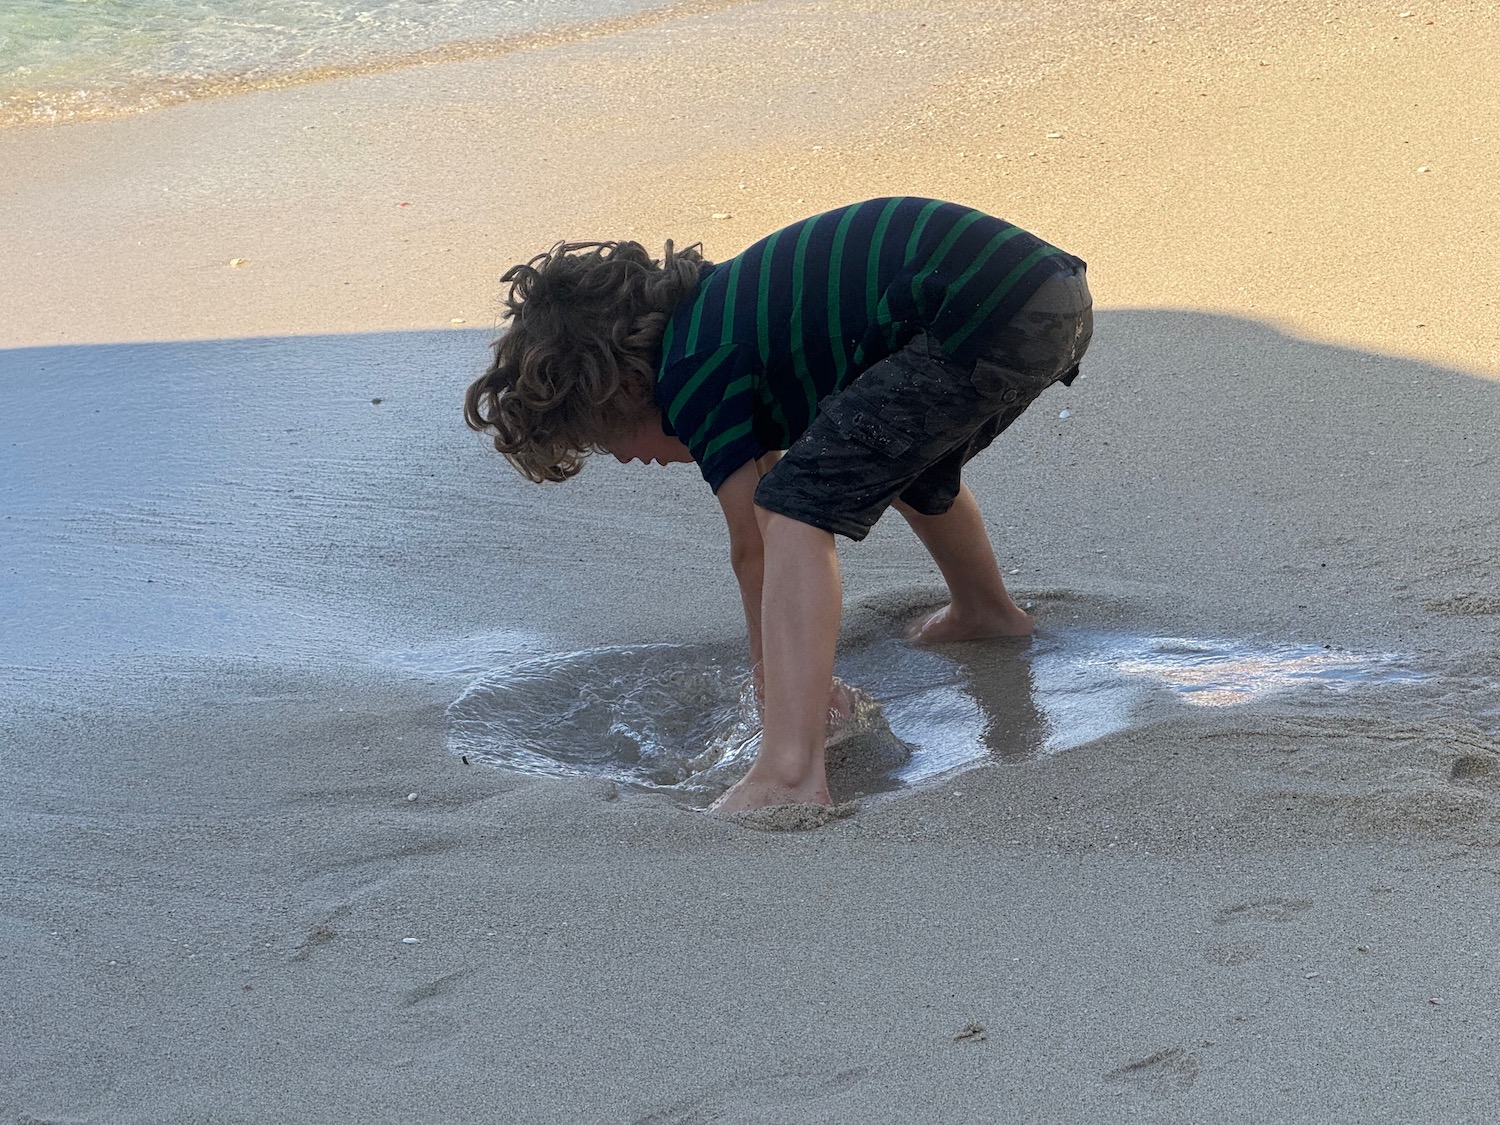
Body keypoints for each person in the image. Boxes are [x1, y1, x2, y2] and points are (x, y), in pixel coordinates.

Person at [464, 197, 1092, 812]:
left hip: (985, 312)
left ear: (628, 385)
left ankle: (790, 769)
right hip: (1044, 296)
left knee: (794, 509)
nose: (628, 460)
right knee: (895, 463)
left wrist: (778, 688)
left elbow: (757, 541)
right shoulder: (731, 319)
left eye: (609, 437)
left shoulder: (692, 369)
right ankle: (986, 612)